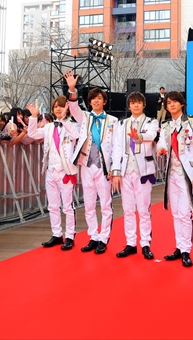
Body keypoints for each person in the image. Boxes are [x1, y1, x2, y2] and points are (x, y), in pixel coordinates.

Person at [64, 70, 118, 255]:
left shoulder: (113, 121)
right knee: (88, 204)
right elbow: (73, 109)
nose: (96, 101)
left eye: (99, 98)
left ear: (104, 101)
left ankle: (104, 237)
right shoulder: (85, 117)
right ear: (90, 102)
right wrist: (72, 89)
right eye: (93, 99)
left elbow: (117, 147)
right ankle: (93, 236)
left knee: (105, 204)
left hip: (104, 167)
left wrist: (114, 168)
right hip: (86, 164)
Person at [156, 91, 193, 268]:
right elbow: (162, 143)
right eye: (168, 102)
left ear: (182, 104)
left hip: (188, 173)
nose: (171, 105)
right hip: (172, 174)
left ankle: (186, 250)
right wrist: (160, 149)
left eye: (175, 102)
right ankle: (178, 247)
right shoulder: (166, 125)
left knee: (185, 213)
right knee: (176, 213)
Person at [27, 96, 80, 251]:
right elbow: (33, 134)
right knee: (53, 205)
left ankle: (70, 236)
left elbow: (76, 136)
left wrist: (65, 119)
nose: (58, 109)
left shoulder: (72, 124)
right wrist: (33, 116)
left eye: (61, 106)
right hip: (51, 170)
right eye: (55, 106)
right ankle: (56, 234)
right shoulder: (49, 127)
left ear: (67, 108)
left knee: (68, 206)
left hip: (65, 171)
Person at [111, 92, 159, 260]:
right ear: (129, 106)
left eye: (139, 102)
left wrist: (138, 137)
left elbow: (151, 136)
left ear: (144, 105)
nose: (136, 105)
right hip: (126, 171)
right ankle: (130, 243)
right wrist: (116, 171)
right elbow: (117, 147)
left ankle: (145, 243)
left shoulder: (151, 122)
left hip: (143, 171)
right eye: (133, 103)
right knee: (128, 209)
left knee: (144, 209)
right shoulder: (122, 124)